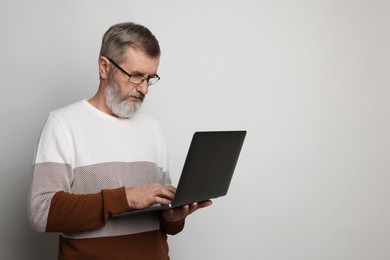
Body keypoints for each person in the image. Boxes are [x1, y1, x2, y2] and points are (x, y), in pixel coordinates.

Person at [28, 22, 212, 259]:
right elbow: (41, 212)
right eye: (136, 76)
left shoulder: (152, 128)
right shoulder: (62, 124)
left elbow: (163, 223)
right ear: (104, 67)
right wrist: (126, 198)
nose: (144, 89)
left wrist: (173, 218)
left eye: (150, 78)